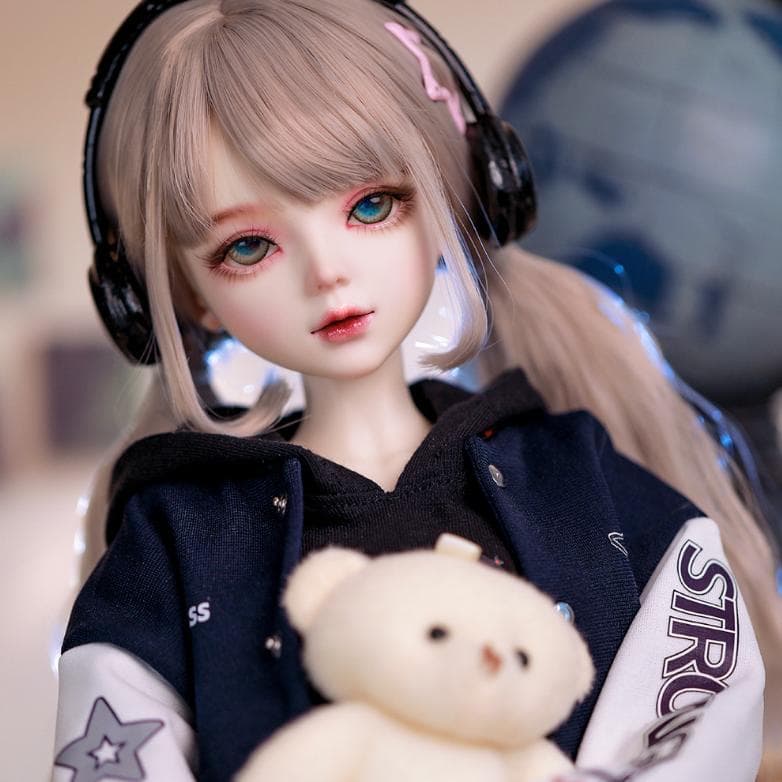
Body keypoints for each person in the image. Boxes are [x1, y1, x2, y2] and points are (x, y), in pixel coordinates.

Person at [52, 1, 781, 780]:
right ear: (182, 296)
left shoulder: (570, 474)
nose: (327, 273)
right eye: (249, 246)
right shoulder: (180, 536)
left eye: (371, 205)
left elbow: (695, 697)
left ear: (453, 202)